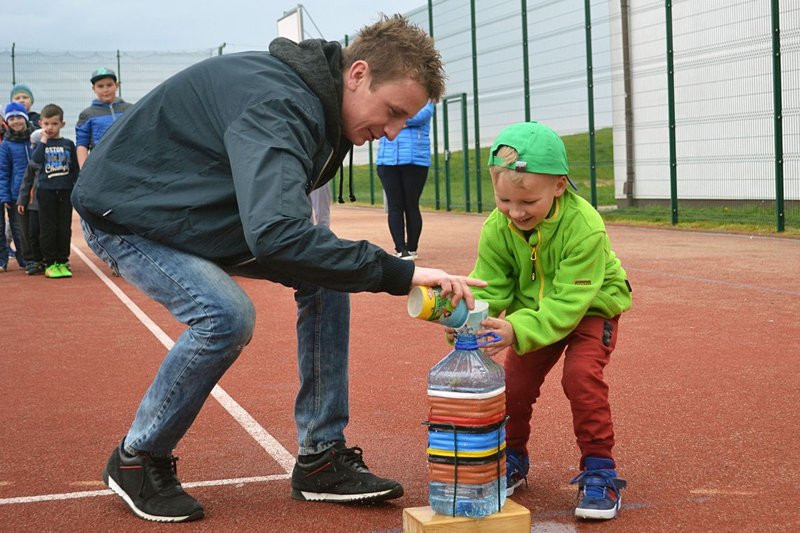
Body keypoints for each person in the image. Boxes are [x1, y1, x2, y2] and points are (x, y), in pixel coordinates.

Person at [72, 15, 485, 523]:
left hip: (194, 210)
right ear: (357, 74)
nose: (394, 130)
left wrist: (352, 264)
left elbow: (280, 229)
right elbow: (275, 234)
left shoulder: (322, 109)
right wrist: (400, 273)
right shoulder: (281, 104)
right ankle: (137, 457)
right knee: (225, 316)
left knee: (326, 275)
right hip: (128, 213)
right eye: (394, 112)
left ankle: (321, 457)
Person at [466, 122, 632, 520]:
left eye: (528, 201)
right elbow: (492, 283)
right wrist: (470, 320)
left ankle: (600, 470)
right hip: (534, 312)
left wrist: (516, 329)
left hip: (591, 308)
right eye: (504, 200)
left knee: (580, 377)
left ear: (559, 186)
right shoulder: (497, 227)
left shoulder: (585, 227)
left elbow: (569, 302)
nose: (515, 212)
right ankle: (513, 459)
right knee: (514, 385)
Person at [24, 104, 79, 278]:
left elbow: (75, 169)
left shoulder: (68, 144)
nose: (50, 127)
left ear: (62, 124)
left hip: (65, 191)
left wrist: (76, 187)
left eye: (54, 124)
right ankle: (50, 262)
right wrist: (43, 140)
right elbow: (36, 160)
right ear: (40, 123)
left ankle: (62, 261)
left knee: (64, 228)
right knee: (48, 228)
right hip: (46, 192)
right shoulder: (40, 145)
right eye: (46, 123)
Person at [376, 100, 434, 260]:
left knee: (411, 204)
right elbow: (380, 117)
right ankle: (400, 249)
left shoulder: (426, 100)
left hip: (415, 160)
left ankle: (412, 247)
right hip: (387, 161)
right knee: (394, 205)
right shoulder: (389, 98)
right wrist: (400, 121)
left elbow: (420, 116)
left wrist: (394, 120)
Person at [75, 67, 133, 168]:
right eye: (100, 86)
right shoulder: (87, 114)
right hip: (101, 166)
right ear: (94, 89)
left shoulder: (130, 109)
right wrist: (84, 171)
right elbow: (82, 145)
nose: (105, 90)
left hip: (128, 163)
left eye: (109, 85)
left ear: (117, 86)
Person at [0, 102, 32, 272]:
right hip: (16, 194)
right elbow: (4, 172)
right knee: (18, 228)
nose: (16, 121)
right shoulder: (6, 144)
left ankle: (32, 257)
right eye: (11, 119)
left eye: (19, 117)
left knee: (33, 227)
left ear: (25, 118)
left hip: (35, 192)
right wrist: (5, 196)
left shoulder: (34, 139)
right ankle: (22, 259)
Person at [15, 129, 43, 275]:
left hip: (42, 201)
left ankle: (44, 258)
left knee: (41, 231)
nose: (32, 147)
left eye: (34, 144)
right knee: (27, 232)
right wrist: (20, 199)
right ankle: (31, 260)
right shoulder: (8, 146)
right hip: (22, 196)